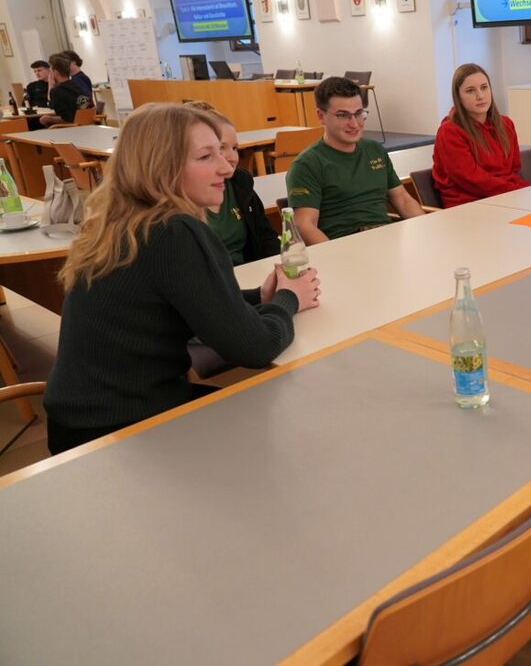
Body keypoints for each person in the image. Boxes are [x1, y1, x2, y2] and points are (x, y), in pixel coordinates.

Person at [43, 103, 321, 453]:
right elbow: (256, 347)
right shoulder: (175, 232)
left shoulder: (121, 222)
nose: (226, 167)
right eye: (206, 157)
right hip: (121, 434)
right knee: (292, 428)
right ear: (161, 166)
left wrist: (258, 298)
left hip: (77, 422)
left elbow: (174, 303)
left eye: (222, 152)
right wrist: (289, 298)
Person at [286, 76, 424, 243]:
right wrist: (337, 256)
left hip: (386, 239)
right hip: (345, 244)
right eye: (343, 115)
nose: (354, 124)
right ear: (321, 116)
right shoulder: (307, 164)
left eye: (359, 113)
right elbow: (304, 225)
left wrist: (425, 231)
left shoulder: (374, 150)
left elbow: (403, 200)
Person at [186, 101, 280, 264]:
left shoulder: (240, 183)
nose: (232, 157)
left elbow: (266, 238)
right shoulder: (180, 204)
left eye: (235, 148)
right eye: (221, 148)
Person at [432, 63, 528, 207]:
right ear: (458, 97)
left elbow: (514, 170)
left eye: (484, 87)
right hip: (468, 205)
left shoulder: (506, 124)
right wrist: (519, 191)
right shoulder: (449, 132)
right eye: (470, 91)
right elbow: (472, 180)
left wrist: (528, 191)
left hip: (505, 198)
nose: (480, 96)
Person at [39, 53, 91, 126]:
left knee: (42, 120)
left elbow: (66, 118)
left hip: (73, 128)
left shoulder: (57, 91)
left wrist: (49, 119)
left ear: (55, 71)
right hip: (86, 124)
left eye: (50, 71)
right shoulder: (76, 85)